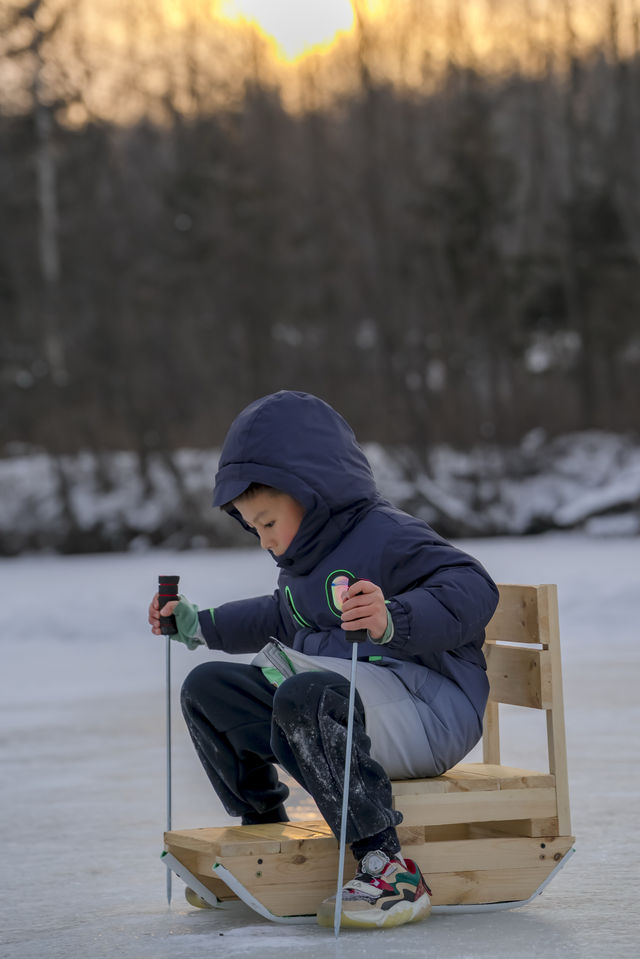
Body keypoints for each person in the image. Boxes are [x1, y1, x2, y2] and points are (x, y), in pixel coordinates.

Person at [148, 390, 499, 929]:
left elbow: (474, 589)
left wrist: (393, 618)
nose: (264, 541)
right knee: (209, 688)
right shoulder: (305, 561)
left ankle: (388, 867)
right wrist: (198, 624)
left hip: (429, 707)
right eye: (253, 528)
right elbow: (277, 616)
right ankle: (263, 834)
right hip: (352, 704)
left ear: (312, 494)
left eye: (267, 522)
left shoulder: (387, 535)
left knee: (305, 696)